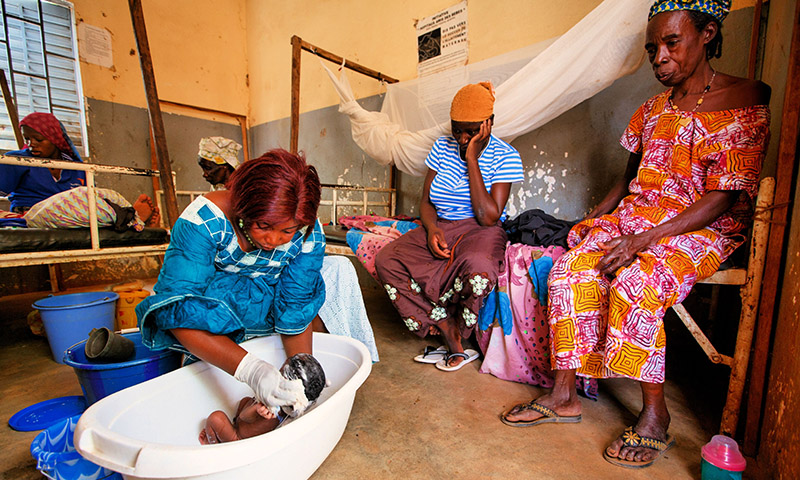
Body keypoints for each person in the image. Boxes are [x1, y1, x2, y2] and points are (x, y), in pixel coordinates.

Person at [500, 0, 770, 469]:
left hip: (701, 226)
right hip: (637, 218)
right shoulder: (651, 110)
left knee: (636, 282)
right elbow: (628, 178)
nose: (659, 58)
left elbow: (724, 197)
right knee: (569, 269)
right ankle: (563, 394)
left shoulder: (744, 100)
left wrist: (644, 240)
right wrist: (593, 218)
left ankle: (655, 414)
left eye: (671, 43)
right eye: (652, 49)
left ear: (707, 34)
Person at [136, 148, 377, 416]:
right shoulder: (203, 222)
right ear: (244, 206)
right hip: (215, 323)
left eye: (287, 231)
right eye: (263, 226)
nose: (273, 240)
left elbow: (296, 304)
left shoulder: (307, 231)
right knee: (208, 401)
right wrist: (252, 370)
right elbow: (179, 309)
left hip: (267, 318)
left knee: (322, 292)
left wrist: (301, 369)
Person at [375, 82, 524, 371]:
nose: (462, 138)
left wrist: (471, 159)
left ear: (488, 124)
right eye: (457, 130)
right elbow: (426, 201)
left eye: (471, 131)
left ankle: (460, 329)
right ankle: (445, 326)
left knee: (479, 268)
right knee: (387, 260)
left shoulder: (506, 156)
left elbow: (488, 217)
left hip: (481, 231)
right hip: (442, 224)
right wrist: (432, 229)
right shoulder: (441, 148)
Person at [199, 353, 326, 444]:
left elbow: (243, 417)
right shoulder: (286, 408)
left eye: (280, 374)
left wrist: (255, 409)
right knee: (245, 400)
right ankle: (232, 427)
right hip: (243, 426)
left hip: (238, 439)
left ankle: (214, 444)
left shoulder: (271, 411)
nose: (277, 374)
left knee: (216, 418)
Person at [0, 112, 86, 213]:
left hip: (66, 217)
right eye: (27, 139)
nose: (31, 144)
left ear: (54, 139)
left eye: (38, 139)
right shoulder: (18, 160)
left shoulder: (78, 169)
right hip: (27, 215)